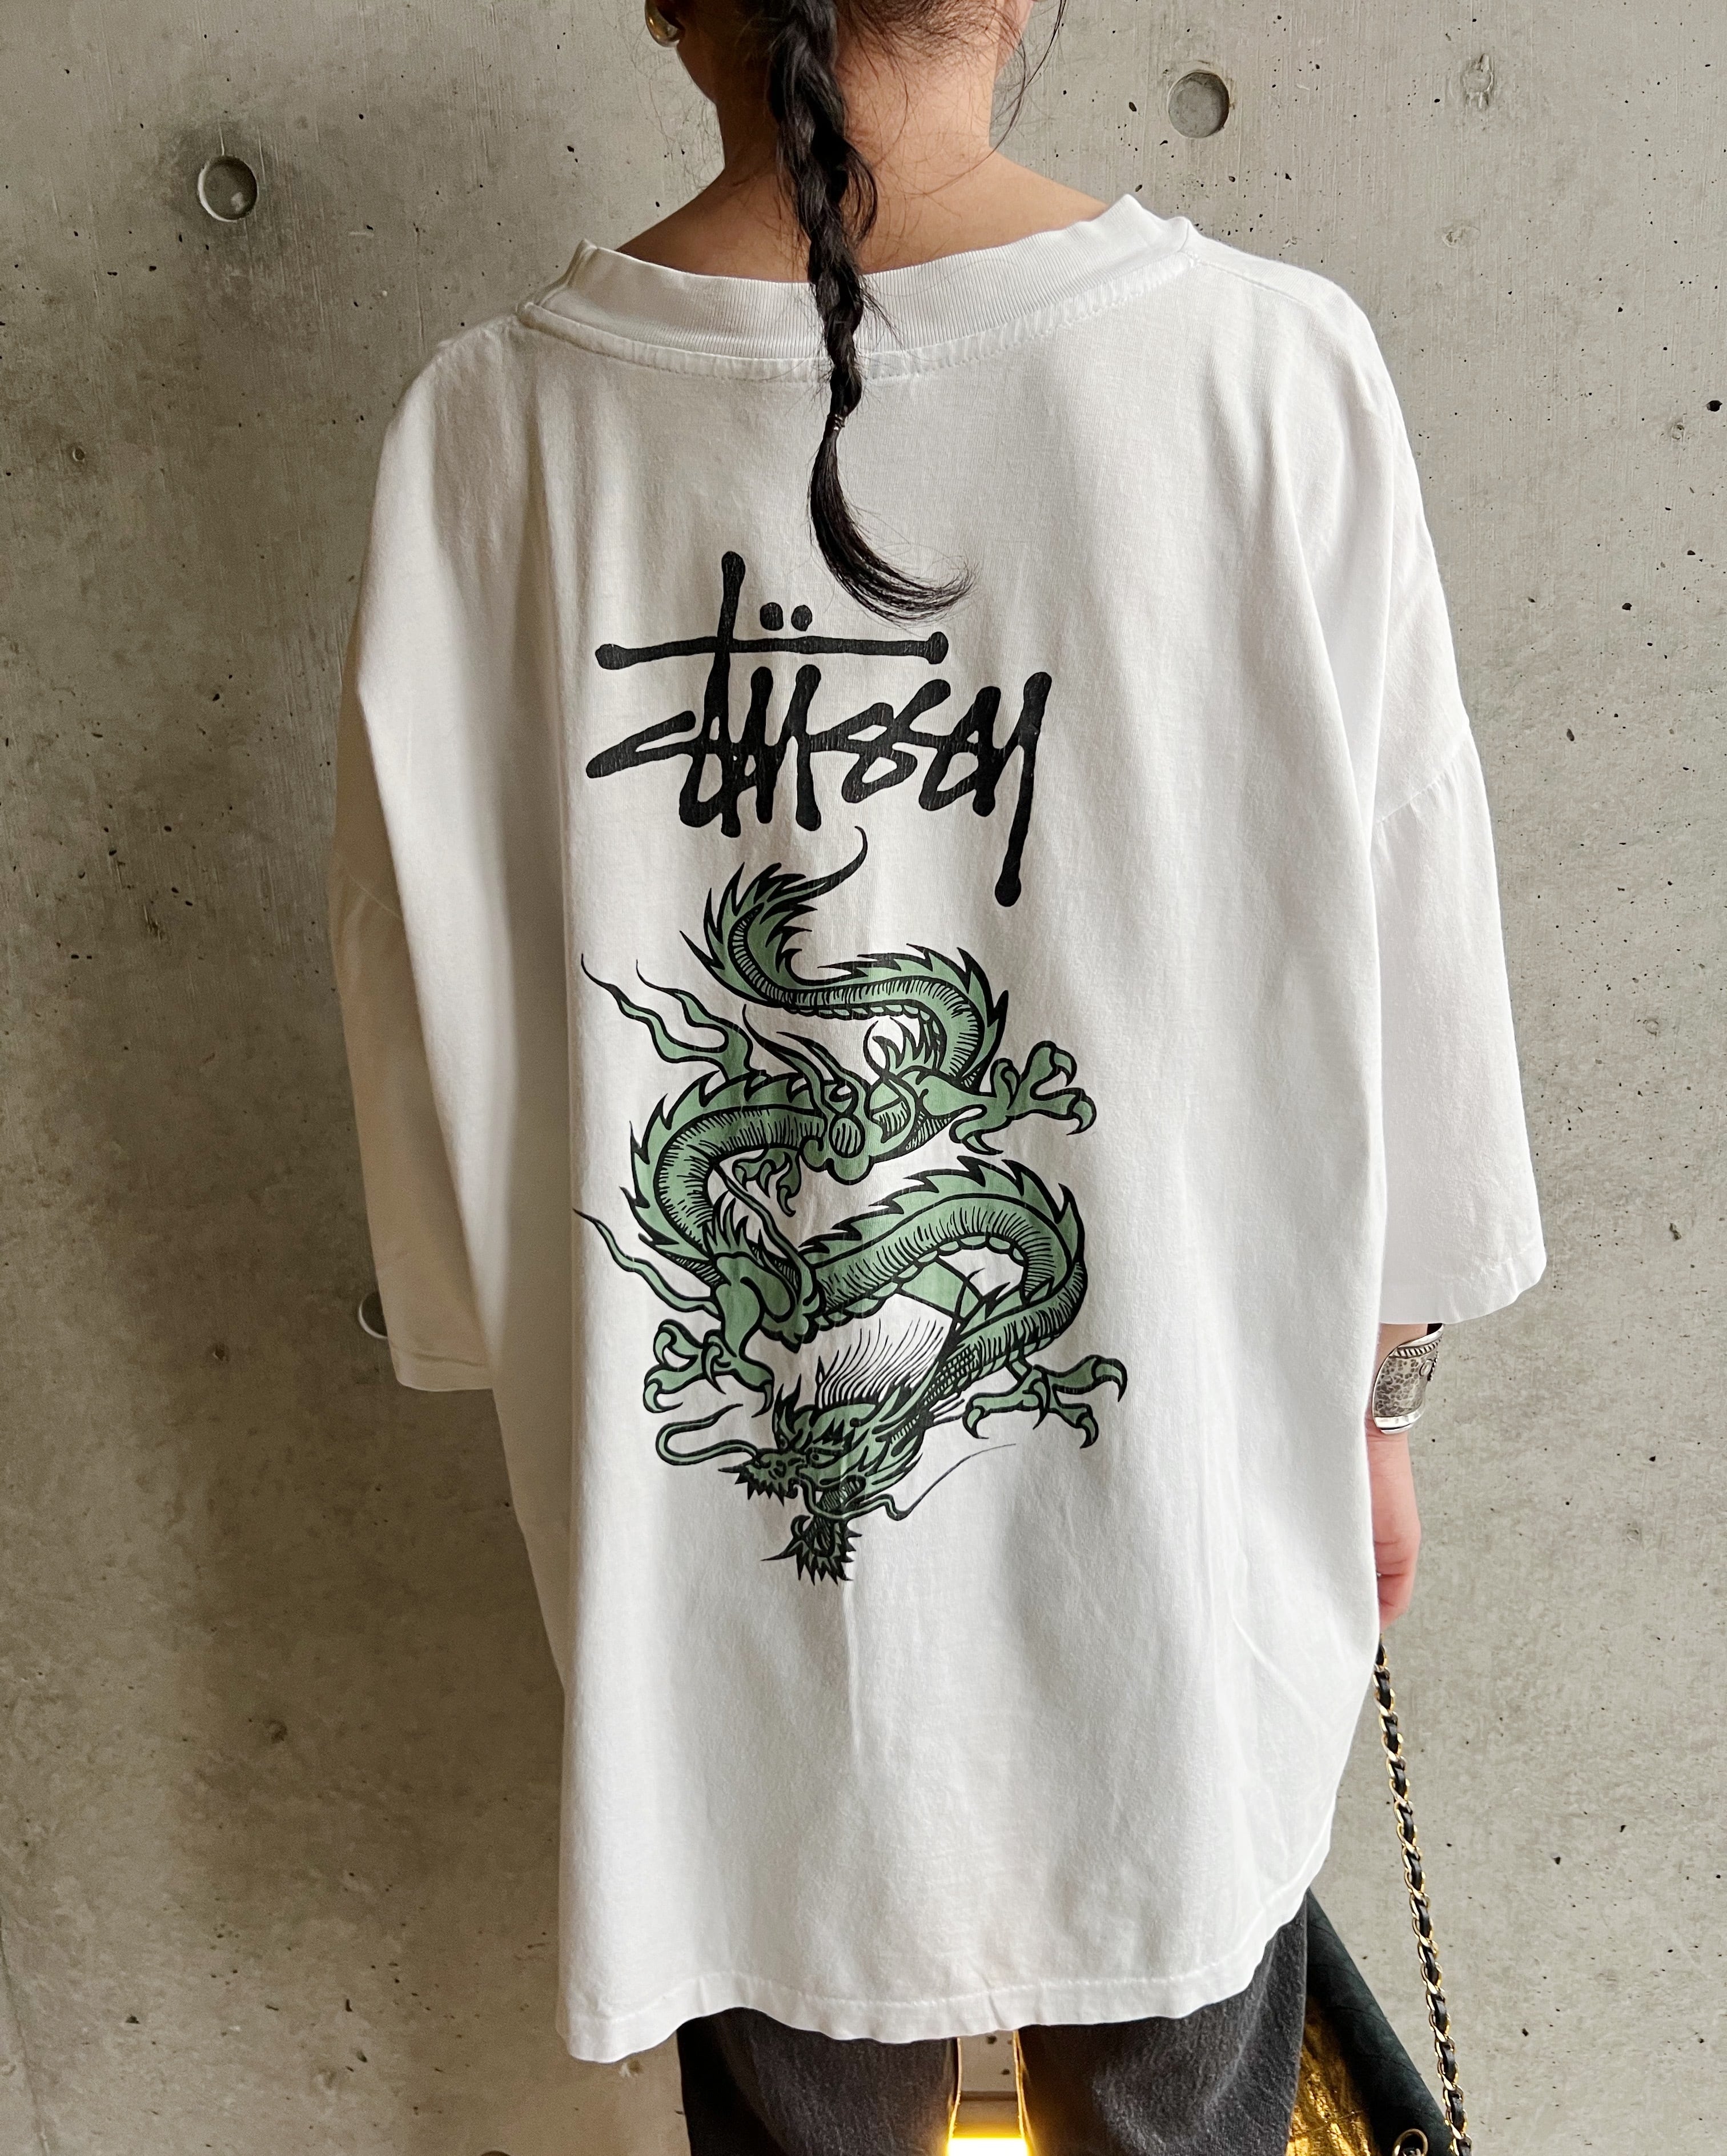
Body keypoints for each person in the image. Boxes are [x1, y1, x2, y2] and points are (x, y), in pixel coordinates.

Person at [325, 1, 1545, 2148]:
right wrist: (1383, 1399)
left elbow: (410, 973)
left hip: (721, 1576)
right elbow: (1410, 941)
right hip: (1176, 1530)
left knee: (802, 2058)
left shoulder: (489, 434)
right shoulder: (1265, 371)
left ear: (668, 3)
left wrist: (490, 1331)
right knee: (1177, 2038)